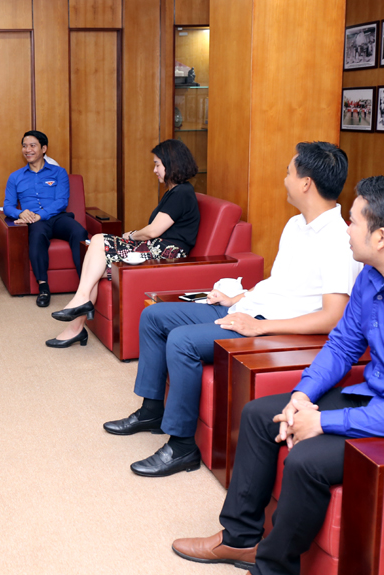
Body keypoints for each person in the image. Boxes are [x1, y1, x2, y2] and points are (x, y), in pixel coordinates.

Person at [172, 176, 384, 575]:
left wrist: (323, 422)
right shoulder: (372, 275)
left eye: (353, 220)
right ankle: (239, 539)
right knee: (260, 415)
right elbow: (342, 345)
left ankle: (273, 568)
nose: (346, 229)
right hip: (381, 397)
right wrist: (302, 395)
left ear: (381, 237)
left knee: (308, 460)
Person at [104, 141, 361, 478]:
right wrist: (238, 297)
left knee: (181, 341)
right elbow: (281, 283)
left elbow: (333, 317)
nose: (284, 179)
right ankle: (152, 410)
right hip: (249, 309)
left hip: (269, 326)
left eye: (288, 172)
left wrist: (261, 326)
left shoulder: (340, 240)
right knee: (153, 315)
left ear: (306, 183)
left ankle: (182, 447)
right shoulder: (295, 225)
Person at [47, 139, 201, 348]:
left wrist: (131, 235)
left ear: (171, 164)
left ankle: (79, 305)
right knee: (93, 270)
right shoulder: (175, 192)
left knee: (98, 241)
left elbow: (153, 231)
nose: (154, 170)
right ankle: (75, 328)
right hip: (157, 249)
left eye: (157, 164)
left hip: (168, 254)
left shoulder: (182, 193)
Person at [3, 130, 88, 307]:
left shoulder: (59, 172)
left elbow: (61, 201)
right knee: (37, 236)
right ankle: (43, 288)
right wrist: (20, 213)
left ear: (43, 149)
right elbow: (8, 206)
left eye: (32, 145)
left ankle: (86, 286)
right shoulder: (15, 177)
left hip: (57, 217)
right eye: (24, 146)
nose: (27, 150)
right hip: (36, 223)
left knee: (79, 231)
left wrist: (40, 215)